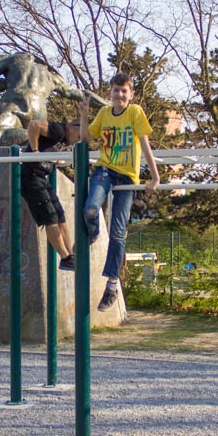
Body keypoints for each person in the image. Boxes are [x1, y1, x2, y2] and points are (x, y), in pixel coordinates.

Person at [78, 72, 161, 312]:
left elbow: (145, 144)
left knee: (117, 232)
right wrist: (84, 114)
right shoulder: (104, 113)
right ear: (110, 93)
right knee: (90, 208)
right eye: (116, 90)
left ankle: (112, 285)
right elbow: (85, 138)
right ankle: (93, 233)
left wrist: (155, 177)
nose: (120, 95)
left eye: (124, 91)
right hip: (105, 170)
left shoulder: (135, 112)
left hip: (127, 176)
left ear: (131, 94)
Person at [23, 118, 80, 271]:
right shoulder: (59, 131)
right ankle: (65, 257)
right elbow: (34, 125)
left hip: (42, 177)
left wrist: (55, 160)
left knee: (61, 217)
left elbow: (49, 152)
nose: (78, 141)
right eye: (79, 136)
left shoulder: (65, 142)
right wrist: (35, 152)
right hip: (30, 177)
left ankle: (71, 256)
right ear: (72, 128)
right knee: (51, 218)